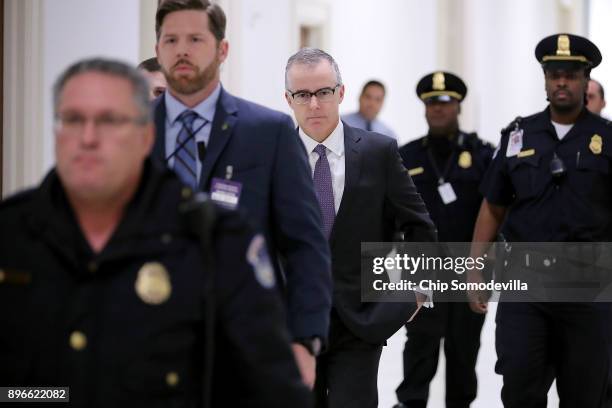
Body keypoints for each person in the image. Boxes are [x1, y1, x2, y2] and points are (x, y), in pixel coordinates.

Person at [0, 57, 312, 407]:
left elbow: (271, 391)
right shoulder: (12, 235)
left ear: (146, 135)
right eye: (73, 120)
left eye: (109, 121)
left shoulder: (213, 241)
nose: (88, 138)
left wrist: (375, 312)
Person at [150, 0, 332, 389]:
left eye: (196, 39)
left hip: (245, 348)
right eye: (171, 39)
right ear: (157, 49)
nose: (182, 49)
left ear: (222, 50)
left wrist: (304, 341)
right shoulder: (127, 132)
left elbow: (305, 246)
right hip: (144, 343)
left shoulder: (268, 133)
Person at [284, 47, 437, 408]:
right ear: (288, 99)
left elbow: (419, 226)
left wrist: (416, 292)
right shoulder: (274, 154)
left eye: (323, 92)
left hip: (361, 321)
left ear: (340, 92)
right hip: (292, 324)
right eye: (302, 95)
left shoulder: (376, 152)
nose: (315, 104)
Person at [467, 34, 612, 407]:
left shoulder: (607, 139)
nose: (562, 81)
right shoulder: (519, 135)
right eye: (554, 74)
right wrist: (474, 268)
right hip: (525, 287)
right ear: (545, 79)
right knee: (519, 388)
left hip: (589, 288)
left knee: (585, 393)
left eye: (571, 74)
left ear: (586, 79)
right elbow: (493, 206)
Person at [394, 72, 493, 408]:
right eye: (432, 103)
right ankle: (410, 403)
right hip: (423, 271)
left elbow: (495, 212)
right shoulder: (406, 156)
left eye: (446, 103)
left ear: (458, 106)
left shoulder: (481, 155)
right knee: (419, 347)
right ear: (424, 108)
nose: (438, 109)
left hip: (469, 271)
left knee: (464, 351)